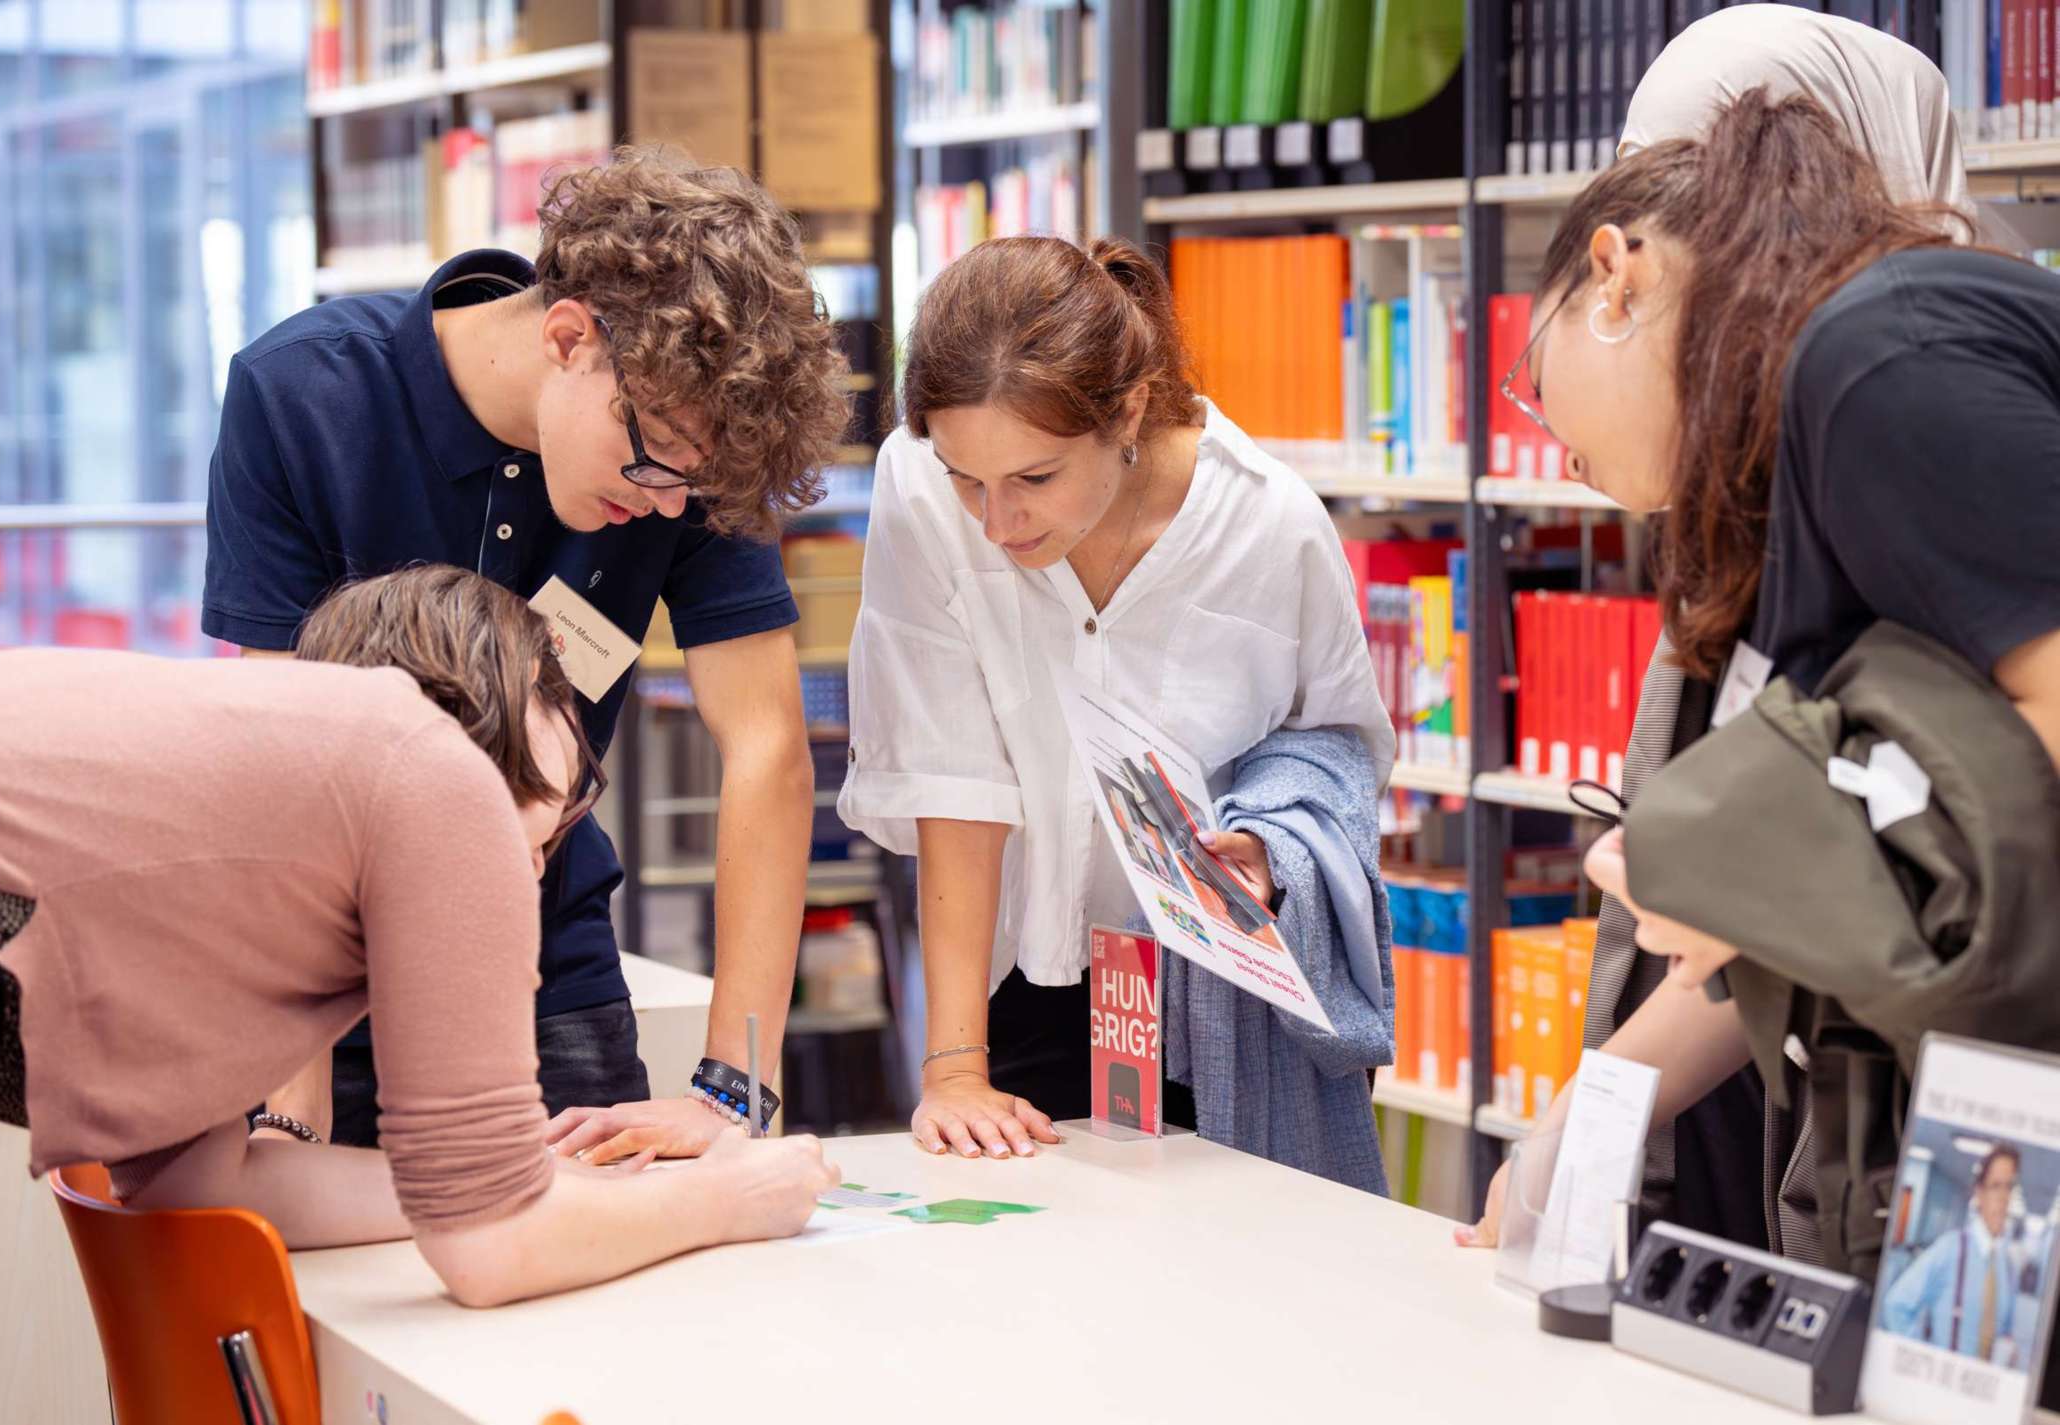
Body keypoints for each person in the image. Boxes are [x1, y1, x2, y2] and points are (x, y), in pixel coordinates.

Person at [1479, 88, 2060, 1260]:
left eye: (1533, 388)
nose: (1552, 441)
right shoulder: (1793, 464)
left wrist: (1755, 865)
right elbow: (1803, 923)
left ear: (1613, 275)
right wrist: (1566, 1143)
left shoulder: (1880, 362)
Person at [0, 566, 838, 1307]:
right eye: (546, 825)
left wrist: (525, 1184)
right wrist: (728, 1195)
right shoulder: (430, 769)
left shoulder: (244, 868)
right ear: (499, 706)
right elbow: (486, 1247)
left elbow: (197, 1188)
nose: (534, 870)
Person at [202, 147, 852, 1156]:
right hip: (325, 963)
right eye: (657, 466)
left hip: (547, 957)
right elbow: (281, 769)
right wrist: (293, 1105)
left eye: (698, 489)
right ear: (566, 337)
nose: (668, 507)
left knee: (605, 1274)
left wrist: (733, 1094)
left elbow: (767, 748)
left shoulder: (692, 443)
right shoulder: (302, 398)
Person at [837, 236, 1396, 1178]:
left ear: (1129, 409)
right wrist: (956, 1068)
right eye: (968, 479)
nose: (996, 521)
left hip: (1217, 997)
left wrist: (1267, 847)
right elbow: (952, 775)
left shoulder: (1269, 525)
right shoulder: (918, 488)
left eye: (1035, 478)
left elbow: (1334, 750)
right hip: (1014, 977)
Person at [1882, 1145, 2034, 1365]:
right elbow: (1895, 1305)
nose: (2003, 1197)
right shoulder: (1950, 1248)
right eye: (1996, 1186)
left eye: (2009, 1187)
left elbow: (2004, 1331)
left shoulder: (2008, 1266)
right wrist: (1924, 1361)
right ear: (1979, 1192)